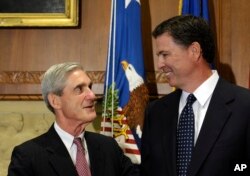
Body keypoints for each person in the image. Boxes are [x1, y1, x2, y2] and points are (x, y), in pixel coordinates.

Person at [140, 15, 250, 176]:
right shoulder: (155, 112)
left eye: (165, 55)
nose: (159, 65)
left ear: (194, 51)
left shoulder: (244, 106)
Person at [8, 62, 139, 176]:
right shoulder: (28, 156)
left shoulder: (108, 147)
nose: (92, 95)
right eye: (79, 89)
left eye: (90, 87)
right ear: (55, 101)